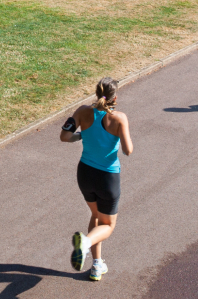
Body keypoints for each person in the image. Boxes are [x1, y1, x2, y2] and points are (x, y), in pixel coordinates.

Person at [59, 76, 134, 282]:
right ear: (115, 97)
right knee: (108, 225)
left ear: (96, 92)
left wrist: (82, 136)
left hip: (85, 173)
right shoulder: (119, 118)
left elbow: (64, 137)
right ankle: (85, 243)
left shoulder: (82, 112)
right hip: (107, 178)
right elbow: (128, 150)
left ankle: (96, 265)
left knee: (96, 216)